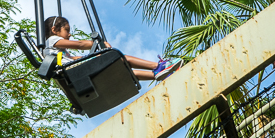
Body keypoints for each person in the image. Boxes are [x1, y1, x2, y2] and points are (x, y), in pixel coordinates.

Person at [42, 15, 179, 81]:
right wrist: (98, 43)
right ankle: (158, 66)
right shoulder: (51, 41)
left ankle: (158, 75)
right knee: (118, 57)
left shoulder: (58, 53)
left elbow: (73, 58)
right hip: (77, 70)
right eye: (67, 30)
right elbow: (80, 45)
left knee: (122, 70)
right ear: (54, 30)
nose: (69, 34)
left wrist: (92, 55)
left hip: (76, 71)